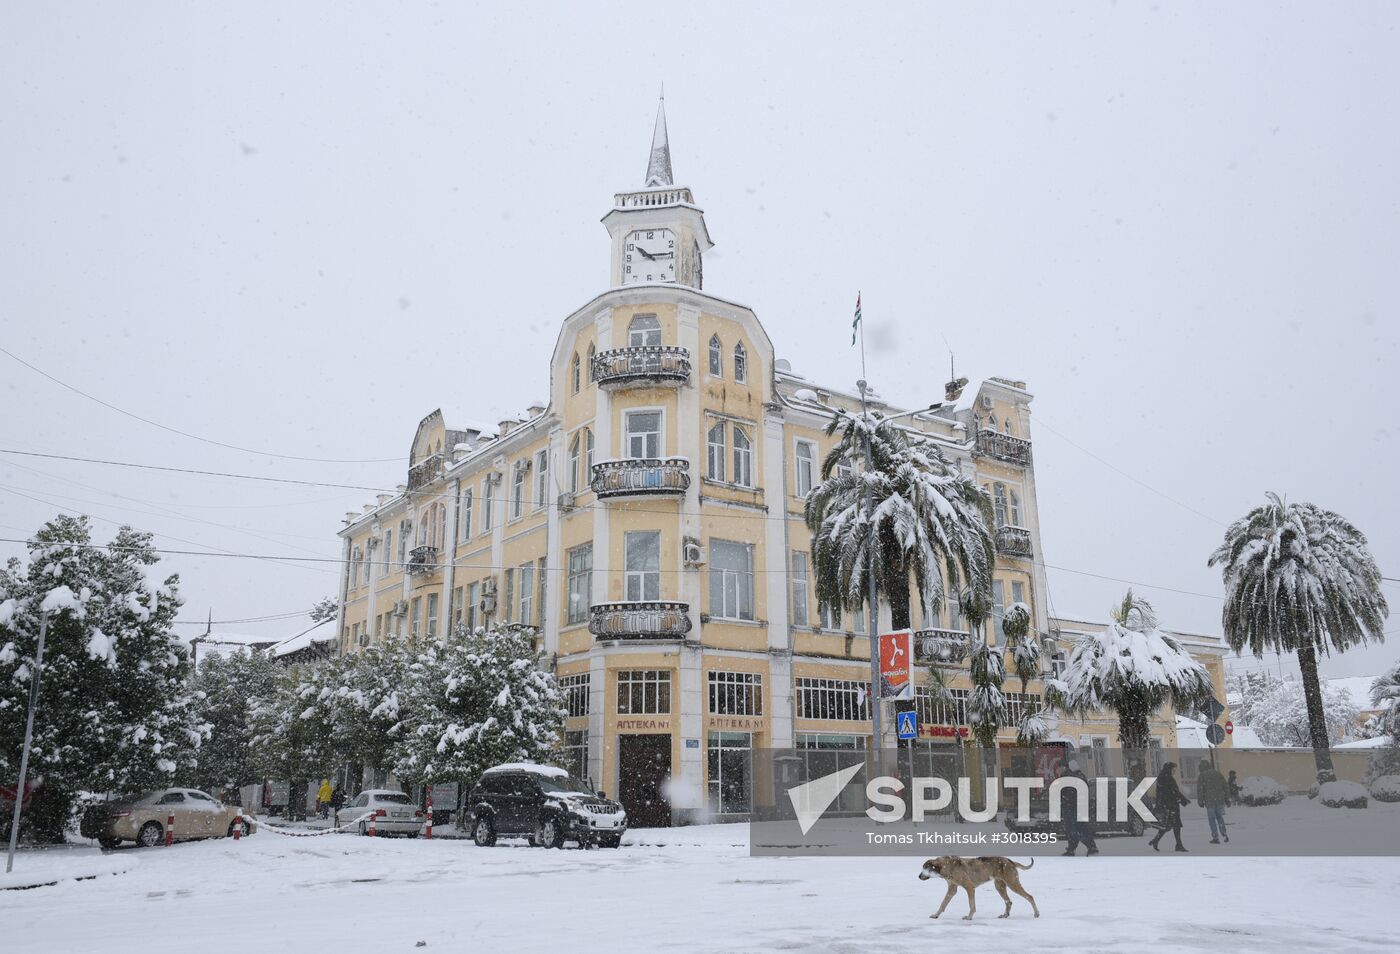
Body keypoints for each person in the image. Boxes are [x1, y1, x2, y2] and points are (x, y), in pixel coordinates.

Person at [1058, 760, 1100, 856]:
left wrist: (1065, 800)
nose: (1058, 770)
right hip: (1077, 806)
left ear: (1064, 768)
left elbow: (1068, 792)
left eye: (1059, 768)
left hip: (1071, 806)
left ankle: (1078, 848)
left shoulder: (1068, 777)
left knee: (1074, 828)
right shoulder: (1079, 776)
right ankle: (1088, 846)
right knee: (1079, 827)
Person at [1147, 761, 1190, 853]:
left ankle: (1157, 841)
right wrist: (1183, 800)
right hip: (1169, 806)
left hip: (1168, 805)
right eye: (1173, 769)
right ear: (1169, 769)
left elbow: (1172, 791)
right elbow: (1173, 791)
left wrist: (1182, 799)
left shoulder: (1164, 777)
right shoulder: (1166, 778)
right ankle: (1178, 845)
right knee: (1173, 825)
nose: (1174, 772)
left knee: (1167, 825)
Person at [1197, 759, 1230, 844]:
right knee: (1220, 817)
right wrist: (1227, 798)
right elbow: (1225, 786)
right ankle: (1224, 833)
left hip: (1209, 801)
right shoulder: (1218, 774)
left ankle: (1215, 837)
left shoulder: (1202, 776)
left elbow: (1200, 790)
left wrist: (1200, 801)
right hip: (1219, 800)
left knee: (1212, 819)